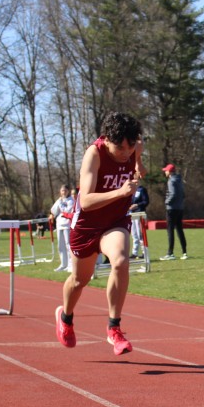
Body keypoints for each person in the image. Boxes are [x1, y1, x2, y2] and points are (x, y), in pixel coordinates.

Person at [55, 111, 145, 356]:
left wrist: (138, 164)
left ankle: (114, 328)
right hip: (87, 225)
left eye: (130, 147)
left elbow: (138, 158)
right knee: (79, 280)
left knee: (121, 261)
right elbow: (85, 201)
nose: (125, 152)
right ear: (106, 139)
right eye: (120, 148)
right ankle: (65, 317)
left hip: (115, 221)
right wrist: (120, 192)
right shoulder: (94, 154)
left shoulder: (134, 146)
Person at [159, 163, 188, 260]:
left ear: (169, 172)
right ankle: (184, 252)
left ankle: (170, 253)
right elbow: (183, 194)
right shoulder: (180, 180)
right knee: (179, 229)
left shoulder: (171, 181)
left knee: (170, 230)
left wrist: (167, 202)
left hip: (171, 208)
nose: (165, 172)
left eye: (166, 171)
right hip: (180, 208)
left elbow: (173, 194)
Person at [50, 184, 74, 272]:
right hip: (59, 224)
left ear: (68, 191)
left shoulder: (71, 200)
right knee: (60, 245)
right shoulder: (59, 200)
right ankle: (63, 264)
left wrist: (61, 205)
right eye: (62, 191)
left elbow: (67, 211)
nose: (64, 192)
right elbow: (53, 211)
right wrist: (59, 204)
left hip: (67, 224)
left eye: (65, 191)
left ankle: (70, 265)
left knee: (68, 245)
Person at [129, 182, 149, 259]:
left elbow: (146, 201)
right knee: (134, 234)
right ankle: (134, 253)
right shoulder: (131, 190)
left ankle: (144, 252)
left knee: (140, 234)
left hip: (139, 214)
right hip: (132, 214)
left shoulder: (142, 190)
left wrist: (137, 205)